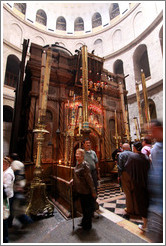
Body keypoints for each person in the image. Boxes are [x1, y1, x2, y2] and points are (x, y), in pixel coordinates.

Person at [125, 142, 150, 229]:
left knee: (141, 201)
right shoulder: (145, 157)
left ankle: (145, 225)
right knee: (147, 200)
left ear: (134, 148)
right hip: (147, 181)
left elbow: (127, 167)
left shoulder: (132, 157)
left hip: (137, 181)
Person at [145, 120, 163, 242]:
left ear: (160, 128)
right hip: (157, 204)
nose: (150, 134)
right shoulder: (155, 148)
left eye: (152, 131)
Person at [71, 148, 97, 231]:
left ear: (82, 156)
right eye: (76, 154)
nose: (76, 155)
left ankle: (87, 225)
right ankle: (84, 221)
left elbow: (89, 179)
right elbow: (78, 175)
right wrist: (73, 180)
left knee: (87, 209)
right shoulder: (78, 164)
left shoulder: (85, 165)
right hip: (80, 190)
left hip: (86, 190)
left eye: (78, 154)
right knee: (83, 208)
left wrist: (93, 191)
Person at [9, 153, 33, 228]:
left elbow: (17, 175)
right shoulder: (21, 164)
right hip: (20, 185)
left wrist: (18, 185)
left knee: (13, 207)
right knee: (14, 207)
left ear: (11, 158)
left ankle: (27, 220)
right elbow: (22, 175)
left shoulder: (14, 164)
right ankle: (9, 223)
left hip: (15, 187)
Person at [83, 139, 100, 217]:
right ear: (84, 145)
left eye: (89, 143)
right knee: (87, 189)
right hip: (85, 173)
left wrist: (98, 173)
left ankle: (93, 205)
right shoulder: (82, 153)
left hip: (93, 173)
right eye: (87, 143)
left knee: (94, 188)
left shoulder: (93, 153)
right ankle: (88, 207)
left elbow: (96, 163)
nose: (88, 144)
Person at [117, 143, 132, 212]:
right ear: (129, 148)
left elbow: (120, 166)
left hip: (125, 173)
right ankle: (135, 207)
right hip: (132, 173)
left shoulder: (121, 155)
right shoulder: (133, 154)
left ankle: (129, 208)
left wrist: (119, 175)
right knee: (133, 190)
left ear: (122, 148)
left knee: (127, 191)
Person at [3, 156, 15, 243]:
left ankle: (5, 238)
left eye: (3, 164)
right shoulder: (7, 171)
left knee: (4, 217)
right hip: (8, 195)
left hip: (7, 196)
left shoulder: (8, 173)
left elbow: (6, 187)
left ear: (7, 164)